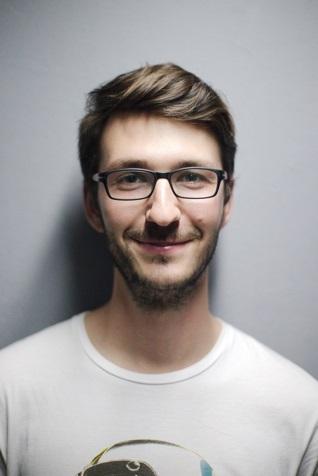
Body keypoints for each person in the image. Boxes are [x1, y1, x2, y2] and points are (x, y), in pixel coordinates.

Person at [0, 63, 317, 476]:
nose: (163, 214)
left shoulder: (302, 414)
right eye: (131, 178)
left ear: (227, 200)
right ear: (94, 205)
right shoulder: (8, 394)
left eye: (192, 177)